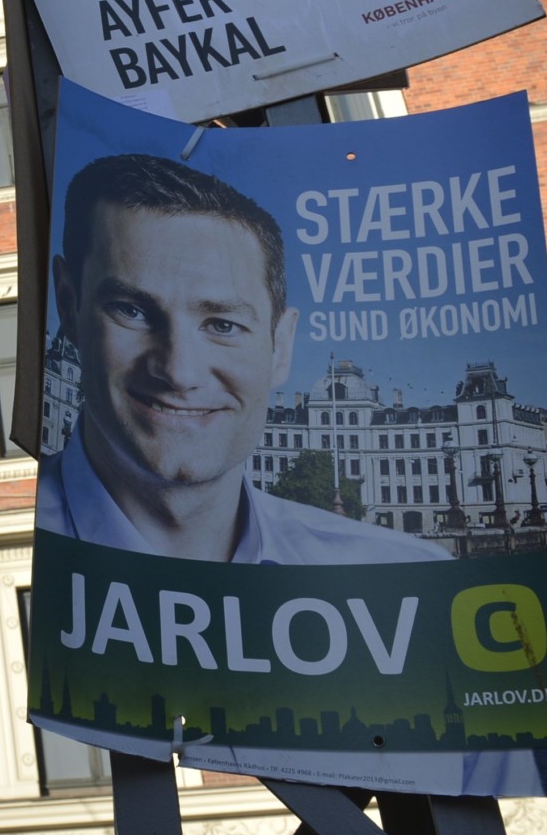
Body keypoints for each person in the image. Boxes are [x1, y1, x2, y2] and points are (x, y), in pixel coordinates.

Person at [37, 150, 448, 564]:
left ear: (281, 347)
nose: (179, 372)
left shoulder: (413, 573)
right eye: (132, 310)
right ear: (68, 304)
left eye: (222, 324)